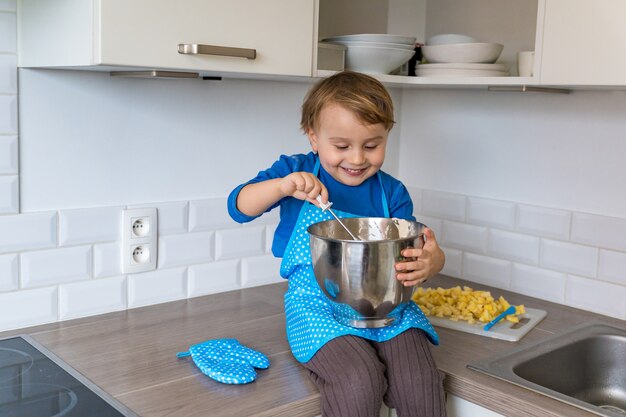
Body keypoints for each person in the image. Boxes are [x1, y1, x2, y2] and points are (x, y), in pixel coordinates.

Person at [228, 71, 447, 417]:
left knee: (419, 381)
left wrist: (433, 262)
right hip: (317, 310)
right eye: (342, 146)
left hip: (390, 311)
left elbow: (414, 256)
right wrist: (282, 187)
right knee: (359, 379)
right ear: (314, 138)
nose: (357, 159)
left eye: (372, 145)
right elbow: (238, 207)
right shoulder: (296, 171)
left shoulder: (392, 193)